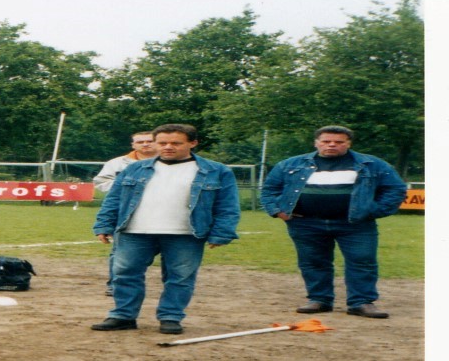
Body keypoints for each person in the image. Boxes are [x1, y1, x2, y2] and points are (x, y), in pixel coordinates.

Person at [90, 124, 240, 334]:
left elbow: (227, 205)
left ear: (193, 143)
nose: (168, 147)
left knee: (180, 277)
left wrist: (222, 232)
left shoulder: (217, 171)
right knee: (124, 273)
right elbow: (114, 199)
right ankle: (123, 316)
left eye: (175, 143)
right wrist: (104, 224)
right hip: (134, 231)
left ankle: (170, 317)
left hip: (186, 234)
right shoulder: (134, 168)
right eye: (162, 143)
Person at [260, 125, 407, 319]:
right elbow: (269, 189)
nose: (331, 145)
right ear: (316, 143)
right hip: (305, 223)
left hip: (356, 224)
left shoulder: (372, 164)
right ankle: (319, 300)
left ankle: (361, 302)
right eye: (326, 141)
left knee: (362, 261)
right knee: (313, 262)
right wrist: (277, 211)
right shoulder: (289, 165)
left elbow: (395, 189)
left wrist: (374, 210)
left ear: (348, 143)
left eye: (338, 142)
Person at [92, 131, 157, 295]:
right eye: (140, 142)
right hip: (126, 213)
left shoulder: (170, 162)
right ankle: (115, 285)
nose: (145, 144)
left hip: (161, 213)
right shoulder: (117, 163)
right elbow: (101, 182)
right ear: (133, 145)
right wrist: (127, 188)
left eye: (149, 141)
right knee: (120, 252)